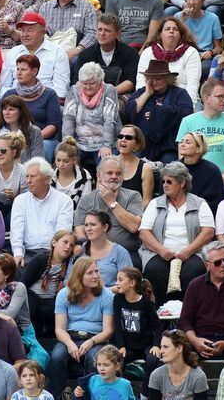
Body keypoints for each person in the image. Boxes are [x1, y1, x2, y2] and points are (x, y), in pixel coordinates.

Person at [138, 161, 215, 301]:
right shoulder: (155, 203)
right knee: (154, 270)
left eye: (169, 181)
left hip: (192, 253)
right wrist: (162, 250)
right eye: (163, 181)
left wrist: (188, 251)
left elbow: (208, 232)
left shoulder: (200, 203)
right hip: (159, 252)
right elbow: (144, 232)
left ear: (182, 183)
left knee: (194, 271)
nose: (164, 185)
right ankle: (160, 314)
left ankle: (187, 314)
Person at [46, 256, 114, 397]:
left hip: (96, 338)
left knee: (93, 358)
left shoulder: (106, 295)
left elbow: (108, 330)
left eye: (96, 271)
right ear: (79, 276)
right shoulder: (64, 294)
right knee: (56, 357)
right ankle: (57, 395)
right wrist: (70, 343)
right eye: (90, 273)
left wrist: (91, 342)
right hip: (70, 336)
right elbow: (59, 329)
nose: (95, 276)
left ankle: (87, 396)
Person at [75, 156, 144, 261]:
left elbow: (134, 226)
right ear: (99, 176)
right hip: (94, 252)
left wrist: (112, 202)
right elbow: (80, 230)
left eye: (118, 173)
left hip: (127, 252)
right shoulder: (86, 199)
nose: (114, 176)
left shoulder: (133, 196)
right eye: (109, 173)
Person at [62, 63, 121, 173]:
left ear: (100, 81)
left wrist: (106, 145)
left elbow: (110, 120)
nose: (87, 87)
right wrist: (67, 142)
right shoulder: (74, 90)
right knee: (65, 160)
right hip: (78, 143)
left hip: (103, 143)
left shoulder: (109, 90)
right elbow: (68, 118)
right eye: (84, 83)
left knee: (105, 168)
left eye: (92, 83)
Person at [146, 328, 208, 400]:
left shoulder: (198, 376)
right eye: (161, 347)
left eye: (166, 347)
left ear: (179, 348)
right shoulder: (157, 375)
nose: (161, 351)